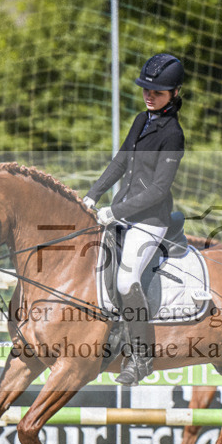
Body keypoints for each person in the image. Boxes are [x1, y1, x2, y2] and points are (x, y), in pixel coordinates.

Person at [83, 53, 185, 386]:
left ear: (174, 93)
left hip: (149, 221)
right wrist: (92, 195)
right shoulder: (142, 120)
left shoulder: (173, 134)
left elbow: (158, 190)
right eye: (145, 89)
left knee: (127, 282)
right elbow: (119, 163)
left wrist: (115, 212)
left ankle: (141, 358)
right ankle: (109, 339)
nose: (149, 95)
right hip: (121, 214)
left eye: (157, 91)